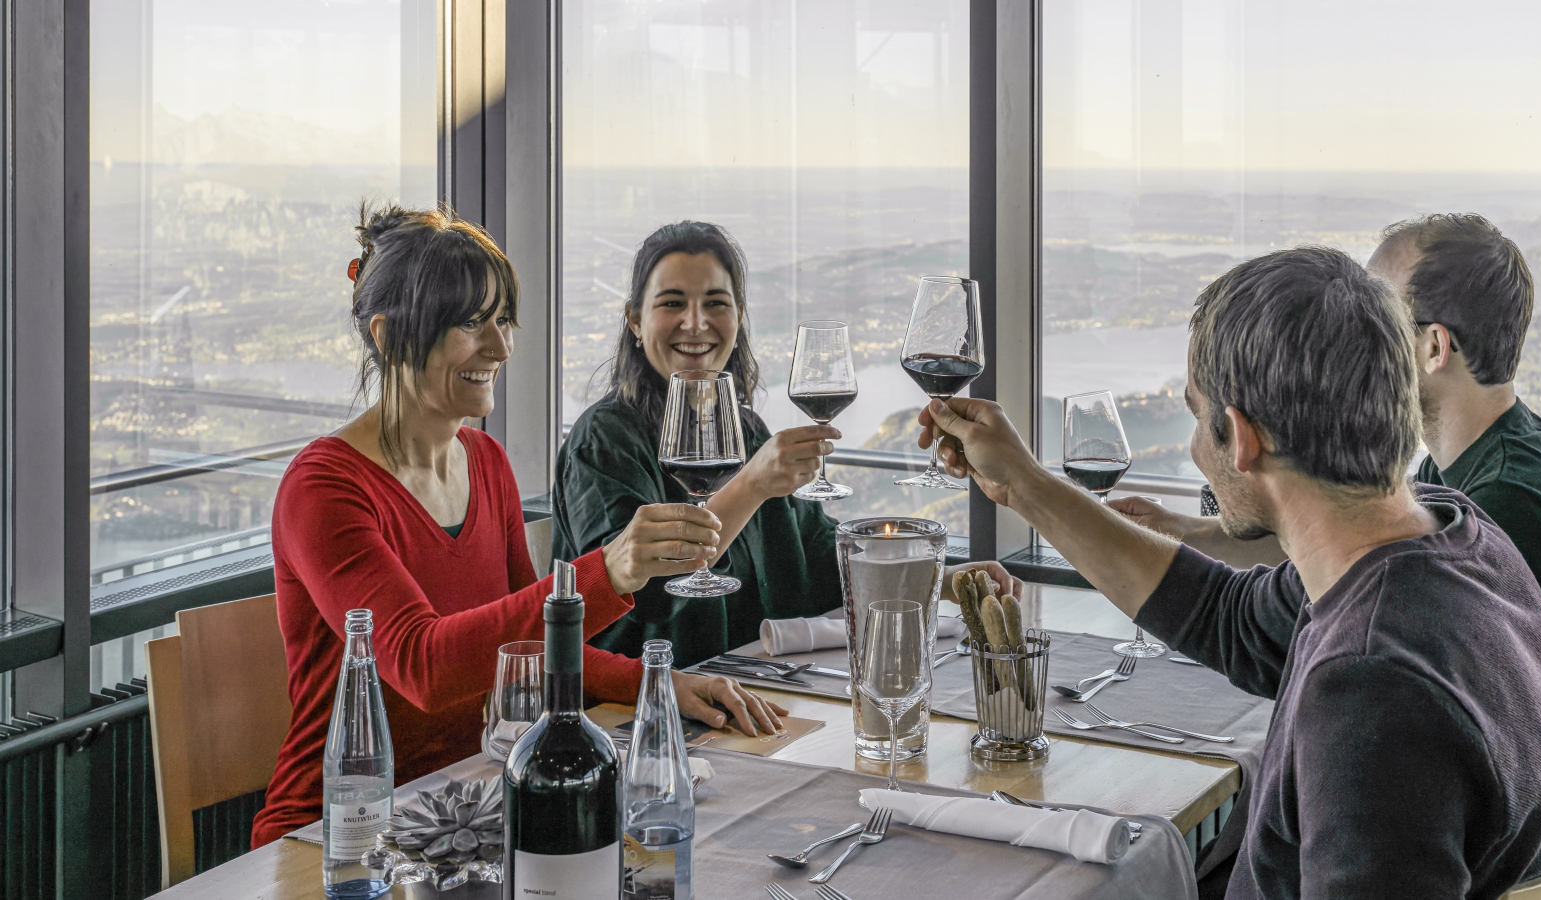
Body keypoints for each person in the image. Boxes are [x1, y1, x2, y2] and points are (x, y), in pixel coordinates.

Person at [919, 246, 1541, 898]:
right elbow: (1221, 613)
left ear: (1241, 437)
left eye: (1194, 414)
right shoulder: (1452, 538)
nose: (1192, 447)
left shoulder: (1371, 690)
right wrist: (1028, 485)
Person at [1120, 215, 1541, 898]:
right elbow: (1268, 601)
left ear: (1428, 347)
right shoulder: (1467, 517)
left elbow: (1345, 673)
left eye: (1377, 308)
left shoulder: (1381, 673)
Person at [253, 206, 783, 847]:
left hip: (470, 805)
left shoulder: (485, 461)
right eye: (469, 325)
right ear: (389, 337)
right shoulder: (325, 487)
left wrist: (660, 684)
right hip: (342, 832)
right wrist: (607, 568)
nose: (502, 347)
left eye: (502, 319)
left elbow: (529, 650)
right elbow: (422, 667)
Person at [550, 221, 1017, 664]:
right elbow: (629, 589)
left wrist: (942, 579)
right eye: (672, 303)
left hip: (755, 692)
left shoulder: (746, 430)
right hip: (638, 711)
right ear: (634, 321)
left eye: (716, 303)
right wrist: (752, 484)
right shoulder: (604, 441)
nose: (695, 323)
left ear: (738, 318)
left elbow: (821, 560)